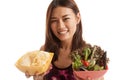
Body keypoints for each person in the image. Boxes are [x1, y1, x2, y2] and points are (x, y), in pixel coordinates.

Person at [25, 0, 104, 80]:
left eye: (66, 19)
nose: (60, 26)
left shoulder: (91, 55)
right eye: (54, 20)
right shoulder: (44, 51)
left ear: (77, 18)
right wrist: (37, 77)